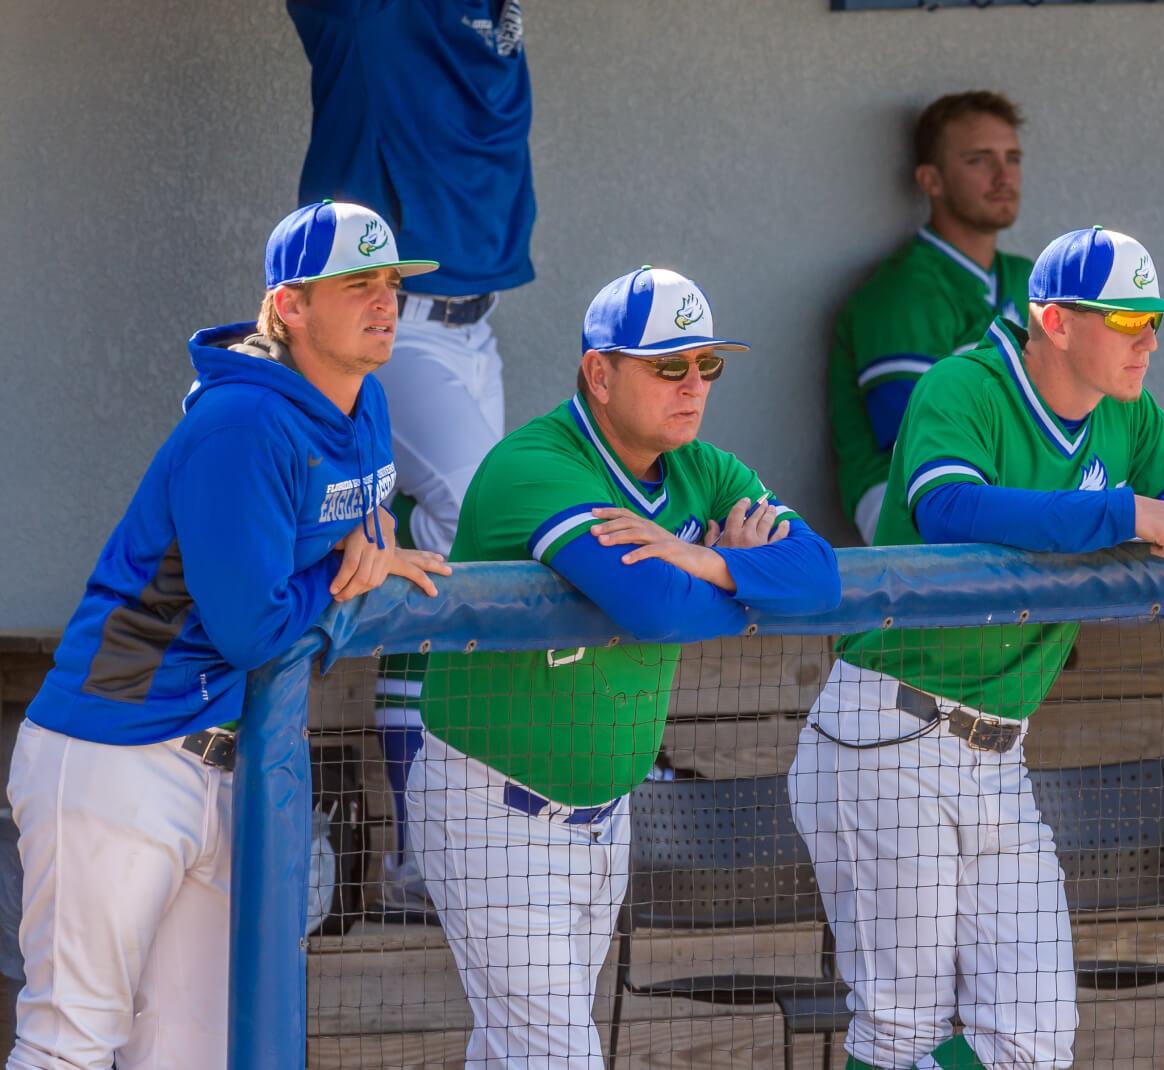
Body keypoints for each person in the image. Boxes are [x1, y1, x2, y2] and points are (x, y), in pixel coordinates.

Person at [791, 227, 1164, 1069]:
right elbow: (950, 510)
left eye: (1154, 321)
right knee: (900, 1028)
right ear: (1054, 321)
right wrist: (1122, 513)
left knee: (1033, 1039)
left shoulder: (1128, 410)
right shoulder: (963, 385)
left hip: (998, 752)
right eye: (1126, 321)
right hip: (890, 731)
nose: (1148, 339)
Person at [7, 200, 450, 1069]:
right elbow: (251, 628)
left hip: (226, 762)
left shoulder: (366, 405)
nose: (385, 301)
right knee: (73, 1039)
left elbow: (364, 537)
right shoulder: (240, 423)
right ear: (289, 306)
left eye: (393, 282)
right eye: (358, 284)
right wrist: (346, 576)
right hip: (118, 751)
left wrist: (375, 549)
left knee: (195, 1050)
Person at [411, 266, 841, 1067]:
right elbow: (655, 610)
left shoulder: (702, 471)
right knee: (558, 1058)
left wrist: (702, 563)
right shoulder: (537, 465)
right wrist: (733, 578)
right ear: (599, 374)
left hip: (605, 819)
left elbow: (819, 578)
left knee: (516, 1054)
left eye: (706, 365)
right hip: (493, 815)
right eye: (668, 367)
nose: (693, 385)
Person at [286, 0, 537, 912]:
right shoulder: (374, 14)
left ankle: (430, 846)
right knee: (479, 517)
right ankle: (421, 852)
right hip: (393, 322)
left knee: (449, 557)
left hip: (477, 325)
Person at [827, 90, 1031, 543]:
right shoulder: (900, 292)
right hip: (910, 497)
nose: (1004, 175)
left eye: (1012, 157)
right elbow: (918, 434)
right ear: (931, 180)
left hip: (1016, 482)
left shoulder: (1029, 279)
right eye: (979, 160)